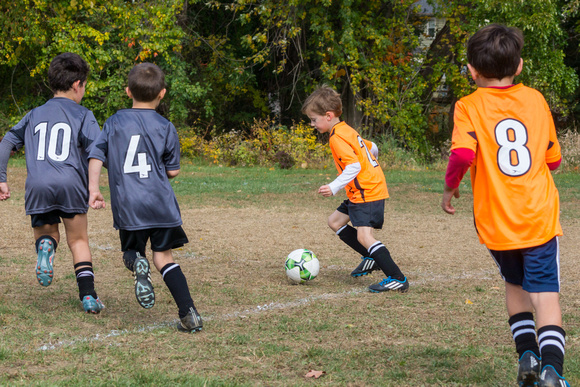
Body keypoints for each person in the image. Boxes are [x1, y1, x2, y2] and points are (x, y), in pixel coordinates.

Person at [441, 24, 569, 387]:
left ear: (472, 70)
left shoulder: (467, 106)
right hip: (537, 217)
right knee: (545, 296)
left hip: (497, 223)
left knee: (515, 287)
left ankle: (527, 354)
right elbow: (554, 160)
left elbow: (462, 154)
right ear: (520, 66)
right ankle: (552, 373)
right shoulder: (536, 100)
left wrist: (450, 189)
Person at [88, 62, 202, 333]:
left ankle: (137, 261)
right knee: (164, 258)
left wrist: (94, 189)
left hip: (130, 205)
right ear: (162, 93)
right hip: (161, 203)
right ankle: (189, 314)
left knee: (133, 251)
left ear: (128, 91)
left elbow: (95, 155)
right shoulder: (166, 126)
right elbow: (173, 170)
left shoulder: (114, 121)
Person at [0, 53, 104, 314]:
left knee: (48, 235)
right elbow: (98, 152)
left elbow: (6, 142)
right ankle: (89, 297)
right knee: (78, 240)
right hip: (71, 183)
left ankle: (46, 247)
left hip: (38, 185)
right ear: (77, 84)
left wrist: (1, 179)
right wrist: (98, 186)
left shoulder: (34, 114)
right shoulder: (84, 114)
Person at [302, 85, 409, 293]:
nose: (312, 124)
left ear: (328, 115)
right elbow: (371, 147)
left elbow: (354, 166)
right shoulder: (346, 130)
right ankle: (372, 257)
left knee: (364, 237)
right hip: (362, 189)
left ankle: (397, 278)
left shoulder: (336, 137)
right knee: (334, 221)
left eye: (314, 119)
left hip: (366, 191)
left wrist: (333, 187)